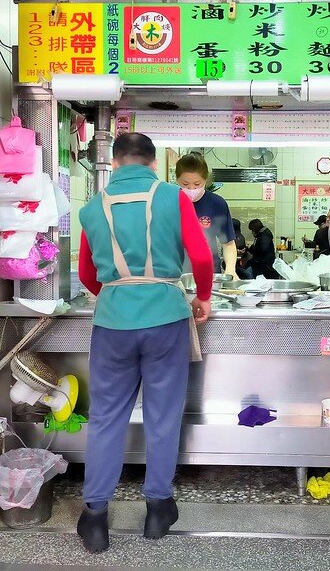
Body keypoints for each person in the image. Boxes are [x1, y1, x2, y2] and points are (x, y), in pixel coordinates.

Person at [76, 133, 213, 553]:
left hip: (113, 322)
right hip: (167, 318)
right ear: (154, 165)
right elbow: (203, 258)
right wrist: (202, 296)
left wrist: (119, 296)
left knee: (105, 418)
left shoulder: (92, 207)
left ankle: (95, 518)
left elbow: (86, 275)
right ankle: (157, 509)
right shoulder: (175, 198)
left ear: (115, 164)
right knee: (162, 416)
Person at [176, 153, 239, 280]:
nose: (191, 188)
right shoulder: (170, 202)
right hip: (176, 274)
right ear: (177, 180)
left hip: (209, 274)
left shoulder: (216, 203)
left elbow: (228, 243)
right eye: (185, 184)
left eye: (197, 184)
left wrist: (231, 269)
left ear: (205, 180)